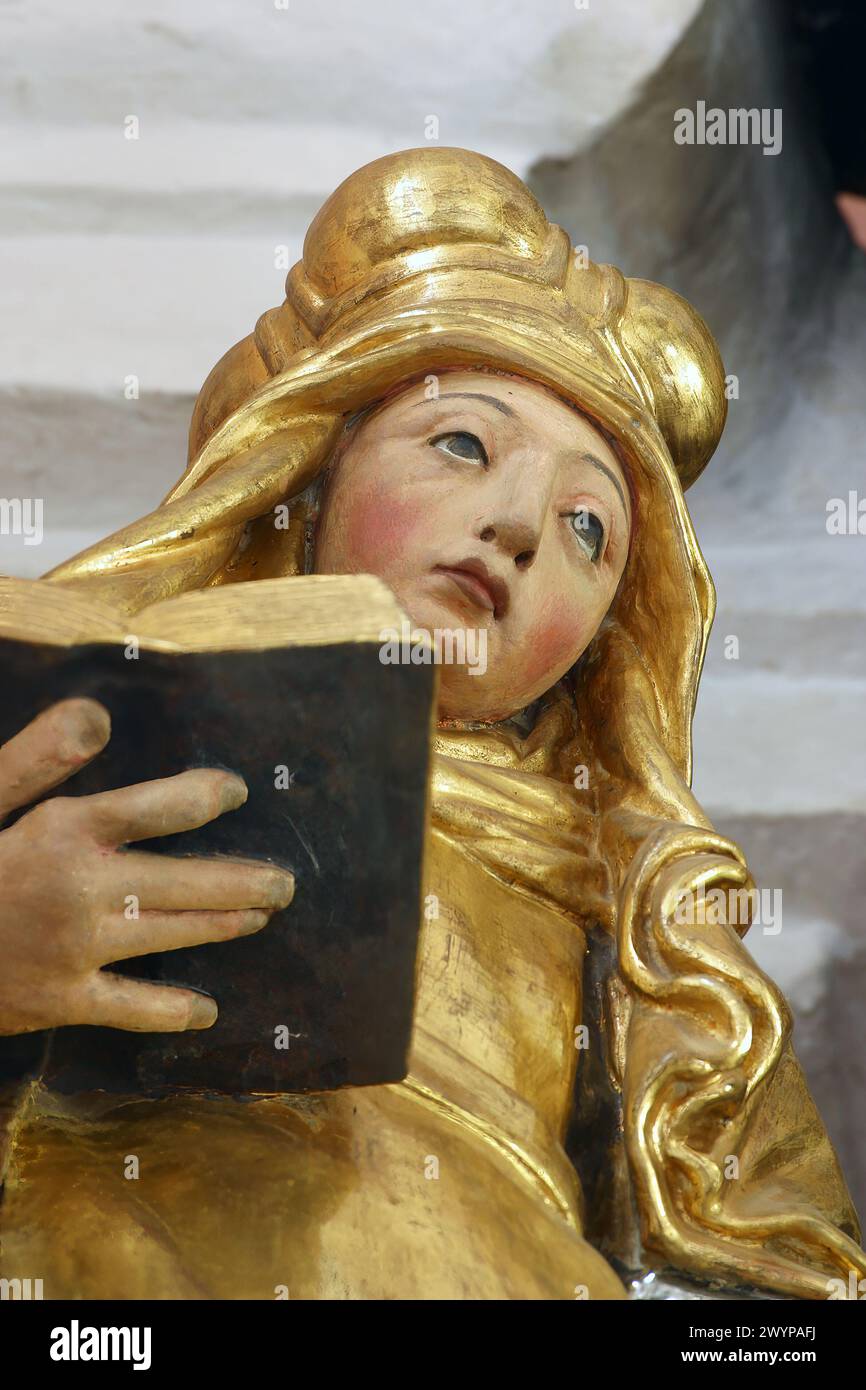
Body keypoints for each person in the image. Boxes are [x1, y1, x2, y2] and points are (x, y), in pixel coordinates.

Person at [0, 147, 862, 1300]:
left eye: (588, 528)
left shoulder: (633, 917)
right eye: (460, 442)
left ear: (610, 638)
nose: (515, 526)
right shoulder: (61, 725)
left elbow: (787, 1282)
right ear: (304, 473)